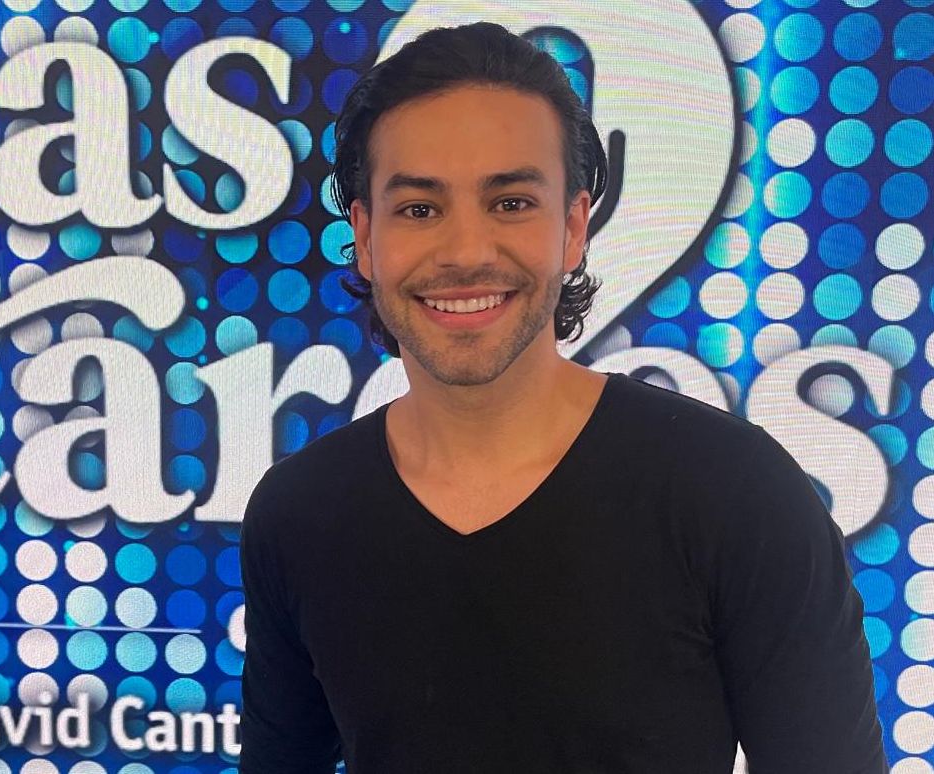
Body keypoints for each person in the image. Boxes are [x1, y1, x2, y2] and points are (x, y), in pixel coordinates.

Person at [237, 21, 887, 774]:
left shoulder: (734, 491)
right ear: (365, 236)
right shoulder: (298, 512)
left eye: (510, 202)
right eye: (419, 209)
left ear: (573, 226)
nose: (466, 252)